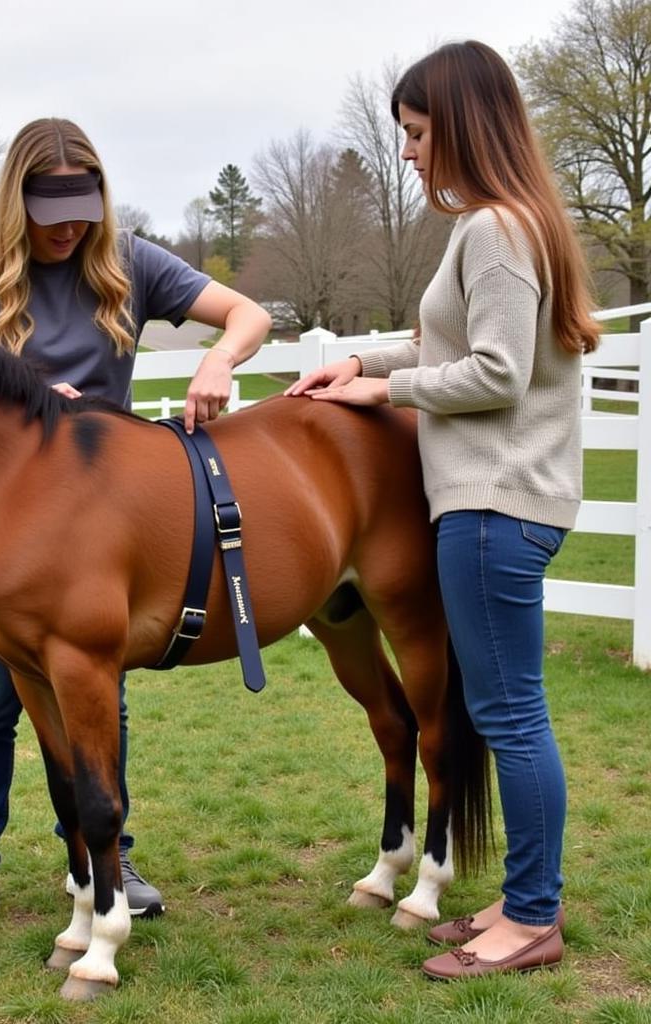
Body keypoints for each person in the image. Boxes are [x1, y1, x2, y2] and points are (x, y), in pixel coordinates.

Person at [0, 117, 271, 936]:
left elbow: (247, 313)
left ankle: (106, 856)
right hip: (9, 525)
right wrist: (21, 388)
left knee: (97, 695)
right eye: (50, 211)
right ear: (18, 202)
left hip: (102, 520)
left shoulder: (128, 261)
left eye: (82, 206)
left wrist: (220, 357)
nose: (68, 227)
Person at [285, 41, 598, 979]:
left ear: (460, 124)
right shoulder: (504, 226)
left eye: (418, 133)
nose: (411, 151)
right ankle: (522, 896)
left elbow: (496, 372)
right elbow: (440, 335)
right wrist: (359, 362)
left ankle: (532, 919)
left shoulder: (498, 229)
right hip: (493, 504)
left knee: (510, 716)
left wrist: (386, 395)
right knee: (509, 711)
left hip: (492, 506)